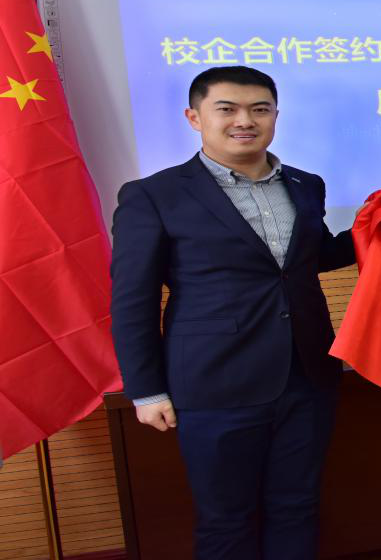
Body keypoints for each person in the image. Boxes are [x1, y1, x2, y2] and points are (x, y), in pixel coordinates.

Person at [110, 66, 356, 560]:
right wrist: (146, 389)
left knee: (297, 506)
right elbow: (132, 299)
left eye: (259, 109)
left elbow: (311, 258)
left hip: (307, 375)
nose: (245, 121)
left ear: (275, 116)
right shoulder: (153, 195)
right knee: (226, 519)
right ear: (195, 117)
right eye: (227, 109)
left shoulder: (306, 184)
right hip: (214, 383)